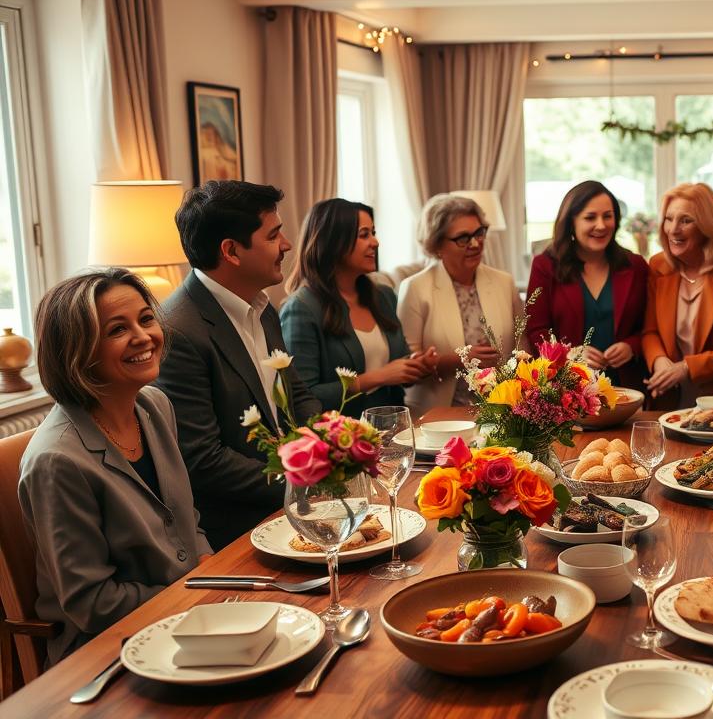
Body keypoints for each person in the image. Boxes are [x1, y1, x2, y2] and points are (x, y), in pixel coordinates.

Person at [19, 269, 212, 664]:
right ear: (77, 351)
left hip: (184, 613)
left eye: (145, 319)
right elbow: (93, 603)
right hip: (106, 651)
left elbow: (185, 520)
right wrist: (193, 593)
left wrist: (212, 570)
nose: (143, 337)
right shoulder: (56, 460)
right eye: (116, 330)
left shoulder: (154, 405)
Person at [157, 180, 321, 550]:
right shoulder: (178, 331)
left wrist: (330, 447)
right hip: (235, 530)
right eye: (273, 235)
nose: (287, 245)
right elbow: (203, 460)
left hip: (292, 507)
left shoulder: (262, 308)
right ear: (231, 251)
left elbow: (297, 395)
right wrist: (303, 481)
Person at [281, 198, 432, 418]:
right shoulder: (301, 309)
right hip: (342, 436)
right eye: (364, 235)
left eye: (373, 232)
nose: (375, 242)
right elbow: (303, 395)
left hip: (396, 428)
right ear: (334, 241)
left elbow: (398, 370)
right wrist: (376, 377)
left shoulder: (383, 296)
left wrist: (415, 366)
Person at [398, 193, 524, 416]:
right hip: (437, 413)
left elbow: (521, 348)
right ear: (437, 244)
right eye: (463, 238)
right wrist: (459, 359)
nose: (475, 243)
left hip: (501, 410)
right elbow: (409, 366)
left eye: (479, 232)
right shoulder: (416, 288)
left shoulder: (504, 282)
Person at [641, 183, 713, 409]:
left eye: (686, 220)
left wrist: (685, 368)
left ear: (707, 226)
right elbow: (650, 330)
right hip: (668, 399)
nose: (673, 230)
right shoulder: (658, 266)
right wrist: (660, 362)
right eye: (669, 219)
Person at [526, 180, 649, 387]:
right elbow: (536, 330)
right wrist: (569, 354)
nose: (601, 225)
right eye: (590, 217)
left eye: (607, 216)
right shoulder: (545, 266)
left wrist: (631, 346)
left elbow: (650, 326)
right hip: (567, 388)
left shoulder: (635, 265)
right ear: (571, 222)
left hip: (627, 387)